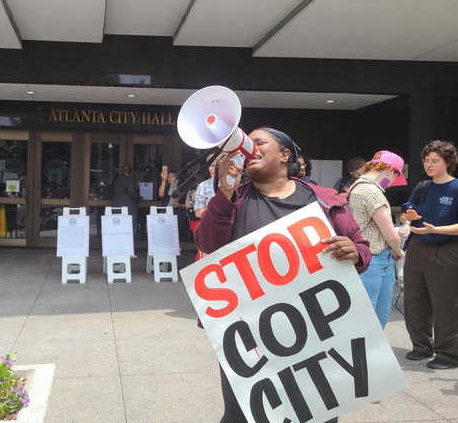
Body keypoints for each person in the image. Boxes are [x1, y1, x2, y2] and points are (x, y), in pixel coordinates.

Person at [195, 128, 371, 423]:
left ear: (285, 155)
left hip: (314, 329)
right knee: (244, 413)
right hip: (251, 332)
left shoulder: (324, 200)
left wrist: (354, 251)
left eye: (259, 142)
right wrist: (224, 194)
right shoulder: (232, 200)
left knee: (318, 410)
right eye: (247, 145)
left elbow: (362, 250)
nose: (251, 148)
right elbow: (208, 245)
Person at [400, 140, 458, 370]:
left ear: (448, 162)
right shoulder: (423, 186)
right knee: (414, 300)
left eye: (435, 161)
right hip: (417, 246)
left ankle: (449, 353)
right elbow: (406, 215)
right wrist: (410, 216)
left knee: (445, 303)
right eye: (426, 161)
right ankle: (421, 346)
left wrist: (435, 229)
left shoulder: (455, 188)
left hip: (446, 249)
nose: (429, 165)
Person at [348, 151, 407, 329]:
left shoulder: (356, 186)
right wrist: (398, 250)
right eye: (395, 177)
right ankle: (369, 354)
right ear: (390, 170)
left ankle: (366, 354)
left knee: (366, 312)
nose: (391, 184)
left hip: (365, 256)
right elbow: (391, 235)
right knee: (374, 315)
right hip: (375, 258)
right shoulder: (373, 192)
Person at [112, 163, 140, 239]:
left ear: (122, 171)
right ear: (130, 171)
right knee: (131, 231)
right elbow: (132, 193)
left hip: (117, 209)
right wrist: (139, 199)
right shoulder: (130, 179)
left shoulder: (117, 180)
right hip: (129, 209)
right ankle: (129, 248)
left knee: (120, 231)